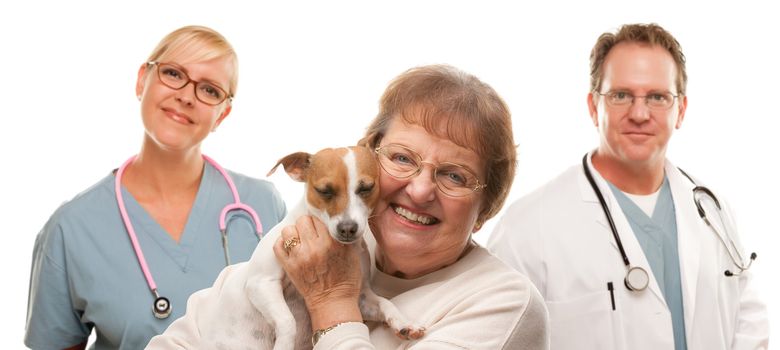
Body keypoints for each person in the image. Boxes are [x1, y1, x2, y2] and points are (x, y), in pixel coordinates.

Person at [148, 64, 550, 349]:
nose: (421, 189)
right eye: (403, 159)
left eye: (455, 176)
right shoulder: (312, 243)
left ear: (487, 207)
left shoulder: (505, 304)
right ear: (368, 160)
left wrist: (333, 300)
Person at [488, 23, 768, 350]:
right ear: (594, 106)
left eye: (658, 97)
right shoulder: (527, 228)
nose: (639, 113)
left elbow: (748, 316)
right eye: (621, 95)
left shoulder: (712, 210)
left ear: (680, 110)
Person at [24, 25, 286, 349]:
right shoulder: (71, 229)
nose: (187, 96)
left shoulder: (264, 206)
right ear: (141, 80)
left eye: (209, 90)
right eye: (173, 74)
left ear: (222, 114)